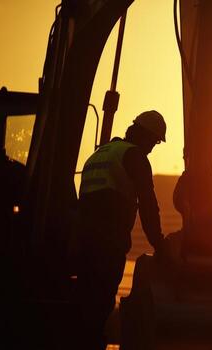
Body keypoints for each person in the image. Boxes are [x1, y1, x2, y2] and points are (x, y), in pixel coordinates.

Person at [77, 110, 167, 349]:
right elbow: (148, 204)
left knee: (84, 306)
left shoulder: (100, 153)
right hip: (107, 243)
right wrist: (160, 245)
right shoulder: (134, 156)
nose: (152, 149)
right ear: (146, 136)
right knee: (99, 305)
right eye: (155, 142)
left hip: (81, 242)